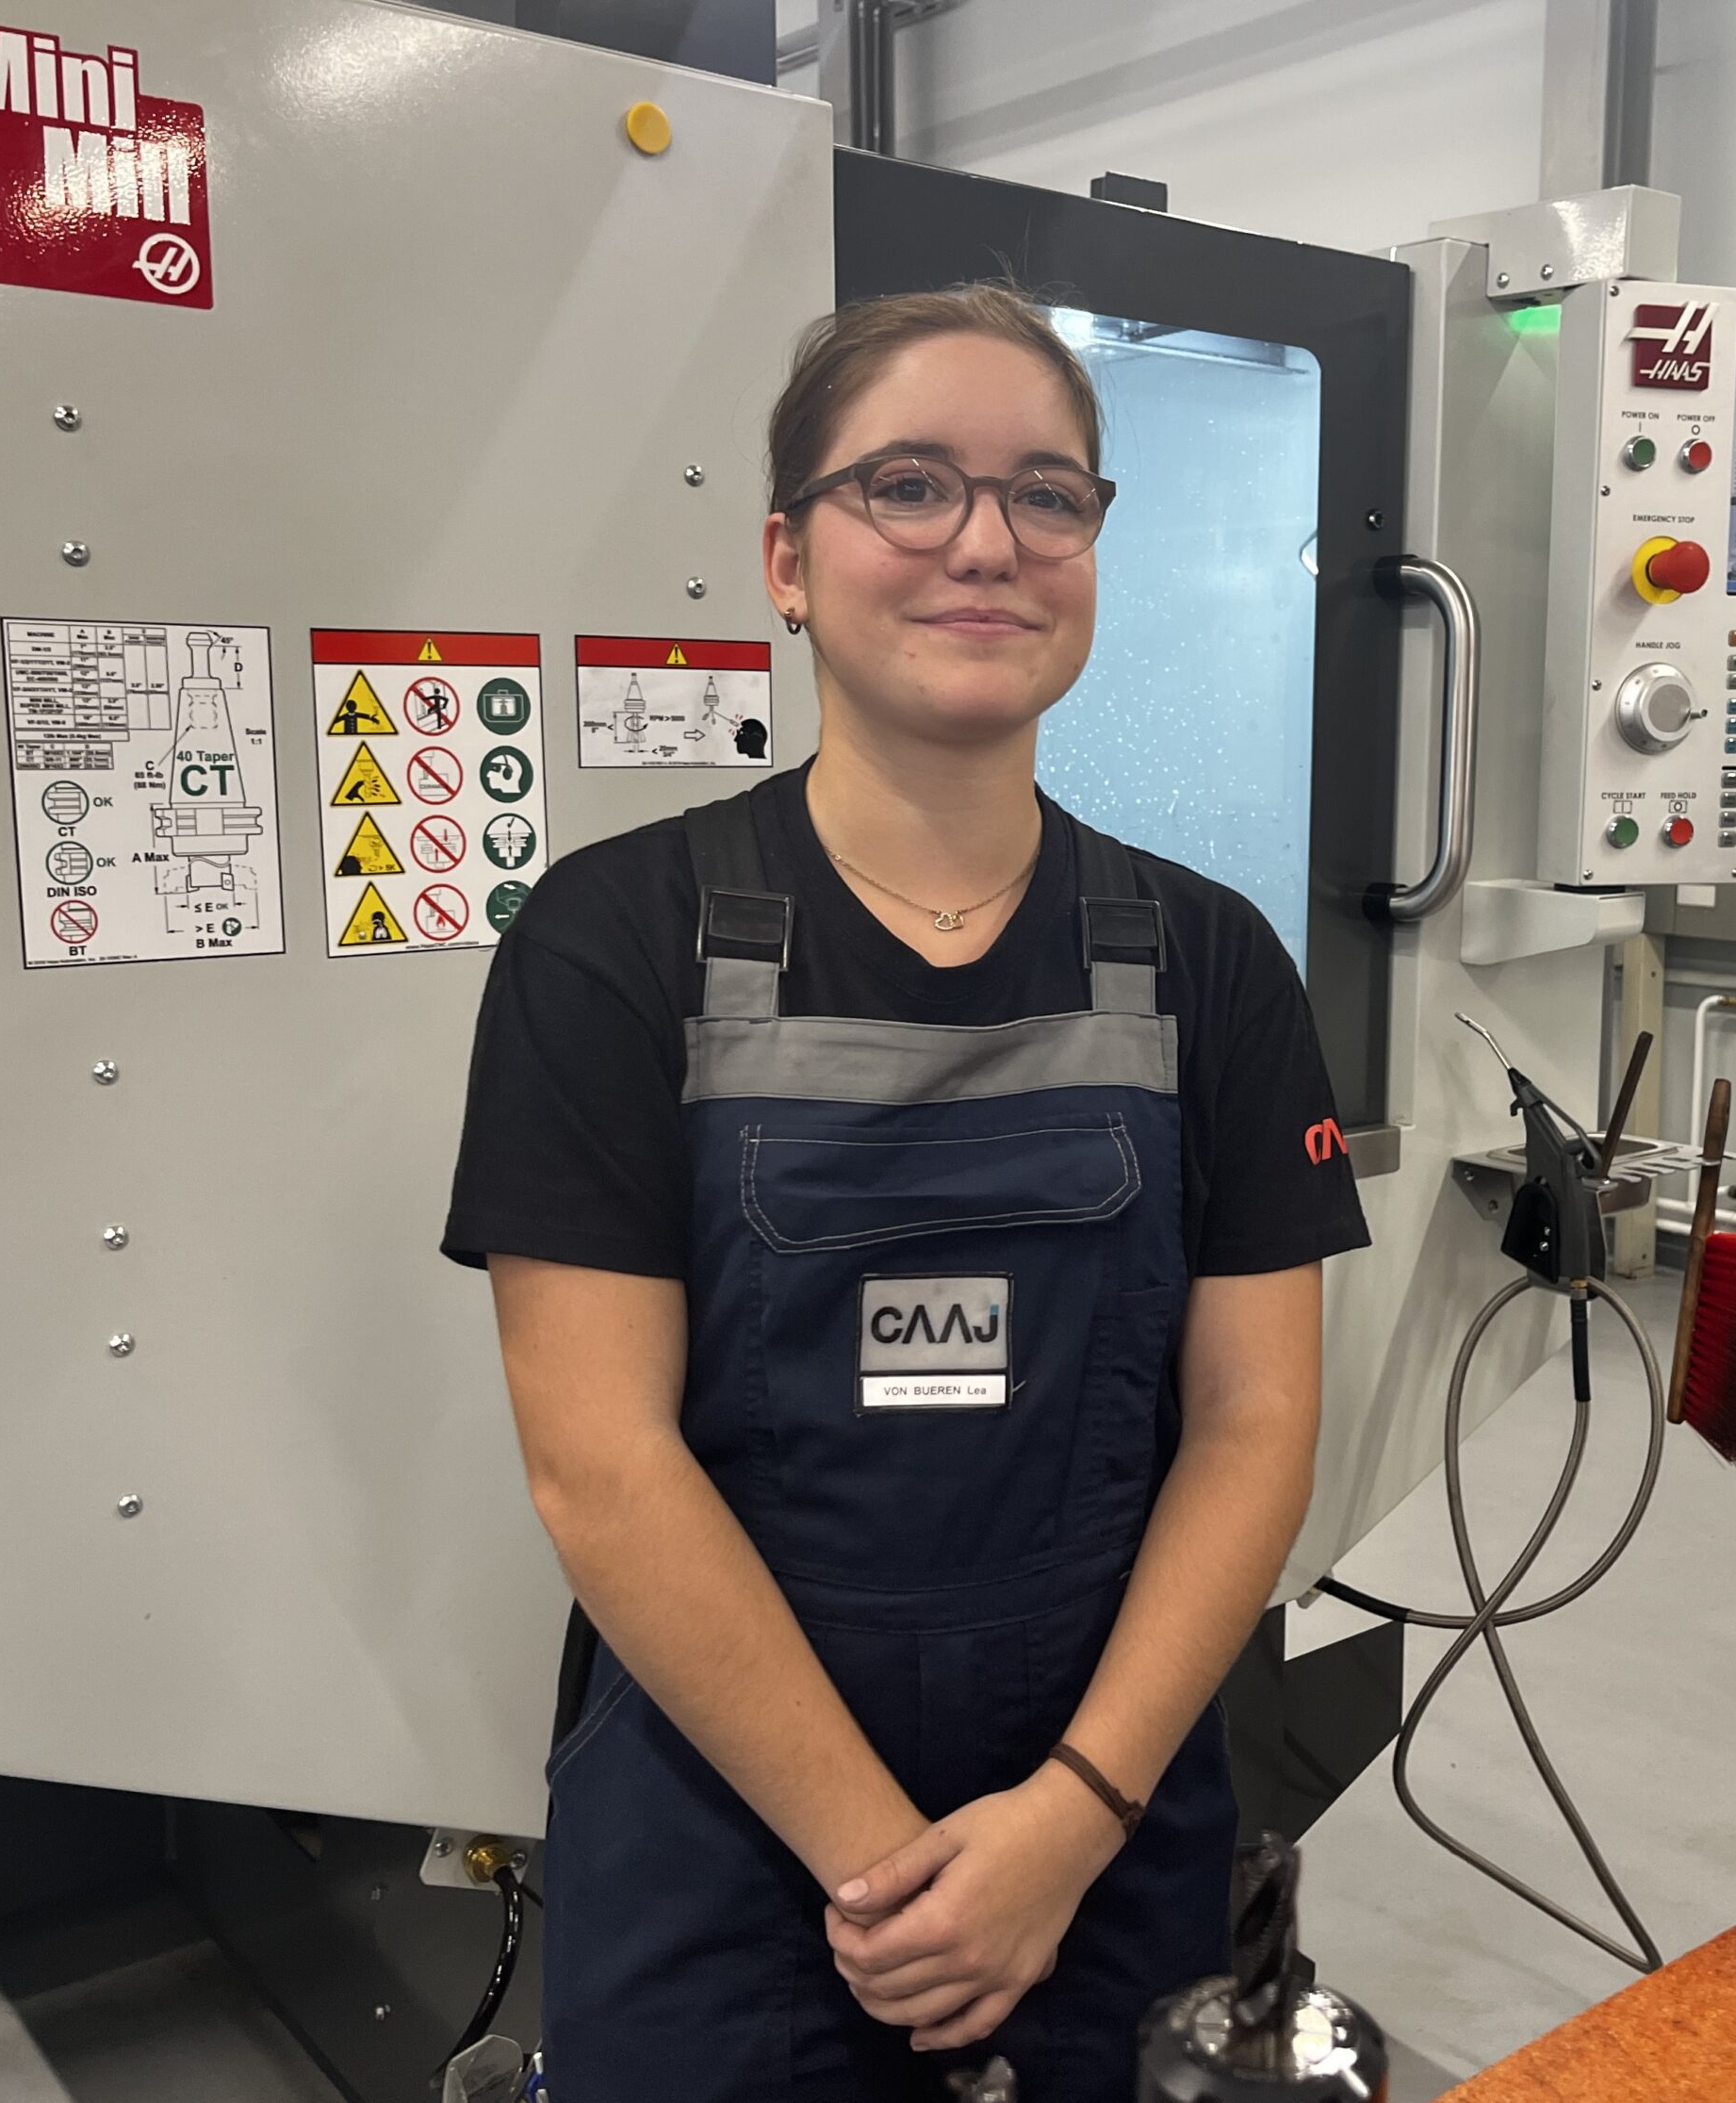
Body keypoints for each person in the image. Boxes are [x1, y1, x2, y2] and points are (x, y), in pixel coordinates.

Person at [443, 283, 1369, 2102]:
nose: (987, 543)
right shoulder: (614, 944)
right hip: (736, 1838)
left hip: (1104, 1822)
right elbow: (599, 1465)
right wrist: (894, 1877)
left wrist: (1067, 1828)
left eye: (1048, 494)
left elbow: (1257, 1420)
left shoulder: (1211, 963)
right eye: (912, 486)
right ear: (787, 559)